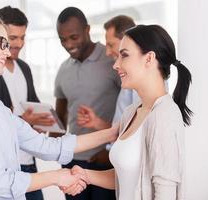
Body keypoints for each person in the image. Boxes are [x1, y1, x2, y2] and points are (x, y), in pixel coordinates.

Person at [0, 12, 119, 200]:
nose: (7, 52)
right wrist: (57, 177)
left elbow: (48, 146)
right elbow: (1, 183)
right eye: (1, 43)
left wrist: (114, 132)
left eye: (6, 44)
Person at [64, 24, 193, 200]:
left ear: (149, 59)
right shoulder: (131, 112)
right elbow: (124, 177)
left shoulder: (164, 115)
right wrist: (85, 174)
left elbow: (165, 193)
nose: (116, 64)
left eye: (124, 55)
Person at [54, 7, 121, 200]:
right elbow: (60, 118)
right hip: (73, 161)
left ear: (87, 30)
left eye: (73, 37)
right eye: (62, 39)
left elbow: (130, 107)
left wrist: (110, 150)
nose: (68, 44)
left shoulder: (112, 61)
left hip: (105, 159)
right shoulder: (63, 69)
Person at [0, 6, 52, 200]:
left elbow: (32, 105)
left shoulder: (24, 68)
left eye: (23, 37)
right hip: (4, 166)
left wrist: (40, 121)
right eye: (13, 38)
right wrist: (22, 121)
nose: (19, 44)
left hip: (28, 161)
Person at [77, 15, 138, 132]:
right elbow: (122, 130)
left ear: (127, 41)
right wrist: (97, 123)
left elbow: (134, 132)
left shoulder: (139, 80)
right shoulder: (127, 77)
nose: (107, 52)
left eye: (111, 45)